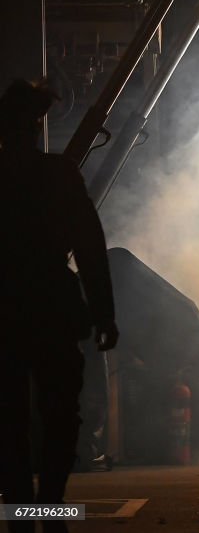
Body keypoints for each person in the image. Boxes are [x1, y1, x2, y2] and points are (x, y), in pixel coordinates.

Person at [0, 78, 118, 533]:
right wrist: (104, 313)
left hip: (5, 312)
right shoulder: (59, 175)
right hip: (51, 306)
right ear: (34, 128)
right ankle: (48, 509)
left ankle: (21, 516)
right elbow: (90, 246)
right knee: (60, 417)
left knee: (9, 422)